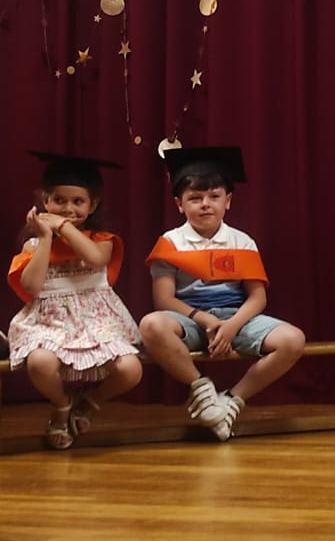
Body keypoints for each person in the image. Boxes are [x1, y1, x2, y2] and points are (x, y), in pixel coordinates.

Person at [137, 146, 305, 442]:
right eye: (195, 198)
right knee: (151, 325)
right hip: (188, 319)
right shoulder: (170, 242)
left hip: (235, 318)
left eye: (214, 196)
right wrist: (204, 319)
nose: (205, 204)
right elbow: (164, 299)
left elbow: (257, 297)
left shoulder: (242, 241)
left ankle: (230, 402)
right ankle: (202, 391)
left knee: (293, 340)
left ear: (228, 201)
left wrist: (231, 326)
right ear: (179, 204)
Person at [6, 152, 142, 450]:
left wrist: (63, 227)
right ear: (45, 201)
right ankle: (62, 404)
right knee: (40, 363)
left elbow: (94, 259)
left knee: (131, 369)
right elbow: (30, 286)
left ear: (93, 205)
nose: (68, 209)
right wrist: (45, 237)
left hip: (96, 322)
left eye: (78, 202)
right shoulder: (34, 244)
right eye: (59, 200)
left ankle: (90, 402)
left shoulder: (102, 240)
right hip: (49, 323)